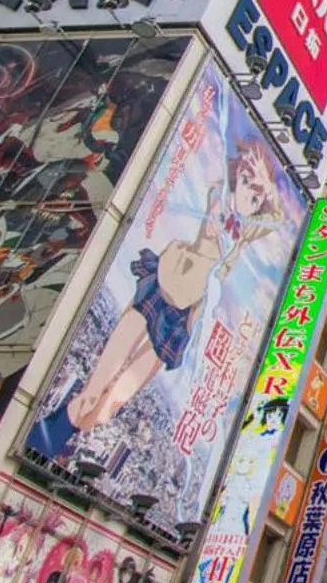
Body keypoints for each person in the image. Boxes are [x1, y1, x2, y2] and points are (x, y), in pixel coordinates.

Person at [27, 139, 283, 459]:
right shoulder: (219, 199)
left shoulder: (246, 232)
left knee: (113, 403)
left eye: (255, 194)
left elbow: (276, 215)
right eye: (244, 181)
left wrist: (264, 189)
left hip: (181, 319)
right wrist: (250, 173)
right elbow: (227, 195)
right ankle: (40, 442)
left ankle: (53, 440)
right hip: (161, 285)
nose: (247, 193)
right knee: (96, 388)